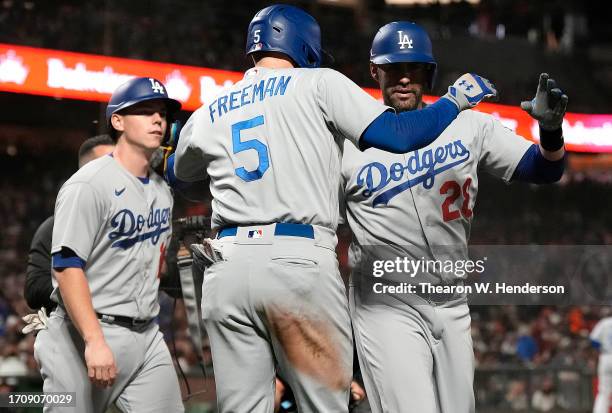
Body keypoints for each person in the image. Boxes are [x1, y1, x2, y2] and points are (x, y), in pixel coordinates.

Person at [172, 5, 495, 413]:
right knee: (325, 405)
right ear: (305, 45)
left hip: (227, 267)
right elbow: (399, 134)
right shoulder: (318, 82)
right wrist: (453, 102)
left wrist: (175, 147)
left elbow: (180, 176)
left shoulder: (210, 109)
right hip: (297, 260)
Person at [341, 21, 568, 413]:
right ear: (375, 71)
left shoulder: (468, 124)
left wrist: (550, 133)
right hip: (386, 302)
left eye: (415, 68)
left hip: (452, 299)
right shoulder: (347, 138)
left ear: (428, 73)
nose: (405, 78)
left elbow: (544, 169)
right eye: (394, 68)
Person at [33, 77, 184, 413]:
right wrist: (94, 340)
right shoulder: (89, 184)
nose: (157, 119)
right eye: (144, 111)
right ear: (117, 121)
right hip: (85, 332)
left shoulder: (162, 191)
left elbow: (151, 261)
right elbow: (66, 266)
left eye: (161, 112)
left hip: (147, 334)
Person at [25, 135, 115, 313]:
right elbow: (34, 289)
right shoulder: (54, 226)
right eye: (106, 165)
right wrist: (96, 288)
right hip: (71, 332)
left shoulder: (133, 223)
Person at [590, 316, 612, 413]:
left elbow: (593, 340)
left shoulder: (605, 322)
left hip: (606, 357)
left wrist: (601, 348)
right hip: (605, 355)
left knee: (603, 392)